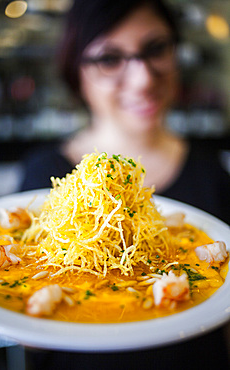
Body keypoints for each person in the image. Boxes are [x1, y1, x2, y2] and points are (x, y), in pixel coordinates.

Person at [20, 0, 229, 368]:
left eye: (156, 49)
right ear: (76, 71)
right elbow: (31, 339)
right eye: (109, 58)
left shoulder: (213, 173)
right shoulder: (40, 173)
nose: (143, 78)